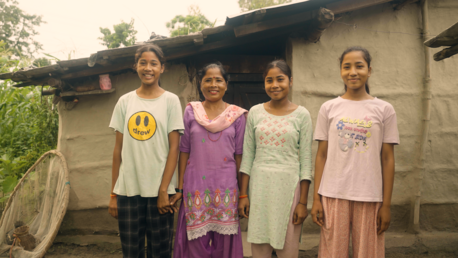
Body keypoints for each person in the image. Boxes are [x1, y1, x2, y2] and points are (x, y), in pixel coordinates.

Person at [311, 46, 400, 258]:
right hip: (333, 193)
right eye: (347, 67)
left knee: (368, 253)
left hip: (369, 194)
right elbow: (321, 155)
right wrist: (316, 199)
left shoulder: (384, 109)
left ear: (369, 70)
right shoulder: (329, 108)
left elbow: (387, 159)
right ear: (341, 71)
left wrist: (386, 205)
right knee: (333, 253)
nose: (353, 72)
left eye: (359, 66)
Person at [108, 44, 184, 258]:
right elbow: (118, 151)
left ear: (162, 68)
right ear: (136, 66)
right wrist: (113, 194)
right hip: (128, 191)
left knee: (160, 252)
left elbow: (174, 149)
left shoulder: (171, 100)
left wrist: (163, 191)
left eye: (153, 63)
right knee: (131, 252)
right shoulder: (125, 101)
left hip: (160, 192)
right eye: (143, 63)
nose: (148, 68)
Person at [238, 60, 313, 258]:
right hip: (260, 188)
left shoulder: (302, 115)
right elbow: (248, 157)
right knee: (260, 250)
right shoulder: (255, 112)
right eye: (269, 80)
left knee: (288, 249)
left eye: (280, 79)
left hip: (289, 190)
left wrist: (303, 203)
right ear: (264, 83)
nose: (275, 85)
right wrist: (243, 195)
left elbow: (305, 163)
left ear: (291, 81)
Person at [172, 62, 246, 258]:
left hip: (226, 188)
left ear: (226, 84)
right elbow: (184, 151)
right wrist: (180, 187)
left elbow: (239, 156)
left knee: (225, 245)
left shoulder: (237, 115)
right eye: (208, 80)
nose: (213, 85)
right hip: (196, 186)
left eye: (218, 80)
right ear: (201, 84)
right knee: (195, 245)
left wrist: (243, 193)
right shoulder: (191, 111)